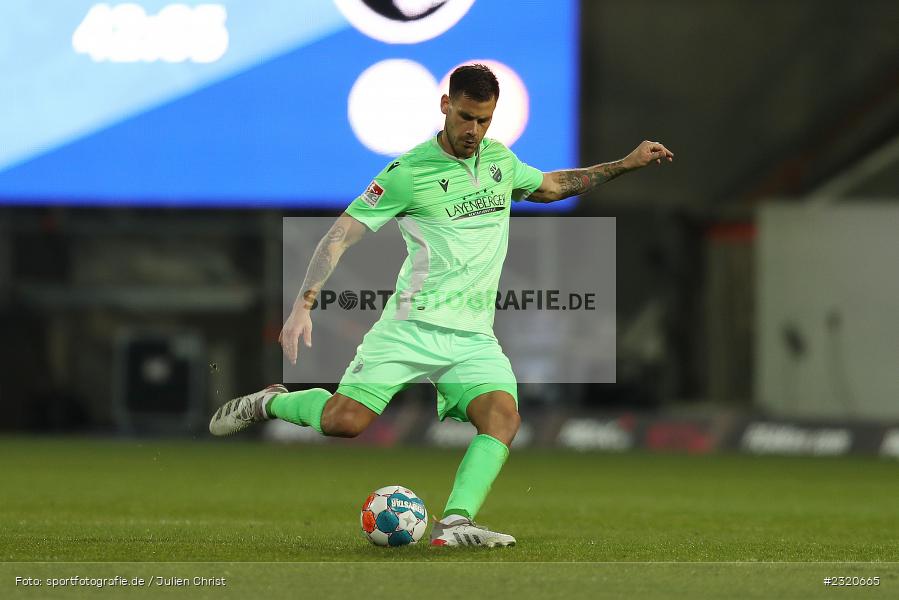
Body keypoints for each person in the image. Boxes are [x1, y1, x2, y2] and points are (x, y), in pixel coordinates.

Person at [209, 64, 673, 547]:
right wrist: (303, 304)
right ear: (445, 105)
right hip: (411, 327)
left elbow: (553, 187)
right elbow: (340, 234)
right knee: (344, 423)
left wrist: (625, 163)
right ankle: (270, 401)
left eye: (485, 120)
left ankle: (455, 522)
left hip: (472, 336)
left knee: (503, 417)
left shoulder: (500, 162)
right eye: (467, 117)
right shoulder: (408, 173)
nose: (474, 130)